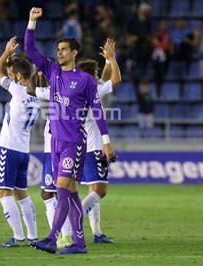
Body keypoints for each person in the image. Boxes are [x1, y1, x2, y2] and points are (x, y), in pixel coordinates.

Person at [25, 7, 116, 255]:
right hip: (54, 142)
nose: (60, 53)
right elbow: (30, 50)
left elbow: (97, 111)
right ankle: (80, 243)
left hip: (74, 142)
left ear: (74, 52)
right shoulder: (53, 71)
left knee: (63, 187)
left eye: (64, 50)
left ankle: (53, 238)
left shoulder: (85, 80)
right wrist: (32, 22)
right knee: (73, 194)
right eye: (58, 50)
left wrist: (106, 142)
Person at [0, 37, 40, 247]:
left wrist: (5, 53)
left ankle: (18, 236)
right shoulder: (36, 98)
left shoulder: (18, 90)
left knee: (3, 192)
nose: (9, 78)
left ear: (19, 77)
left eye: (12, 76)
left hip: (8, 149)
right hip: (23, 151)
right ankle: (32, 235)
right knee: (22, 194)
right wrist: (13, 59)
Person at [79, 38, 121, 245]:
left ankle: (96, 233)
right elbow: (115, 80)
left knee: (92, 190)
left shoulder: (82, 91)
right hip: (96, 147)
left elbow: (104, 81)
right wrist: (112, 59)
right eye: (94, 74)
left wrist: (104, 64)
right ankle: (73, 219)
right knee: (100, 191)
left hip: (84, 147)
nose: (97, 78)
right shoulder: (92, 92)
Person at [34, 72, 74, 249]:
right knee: (49, 193)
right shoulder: (57, 92)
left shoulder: (59, 92)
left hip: (56, 147)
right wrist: (42, 76)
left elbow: (32, 90)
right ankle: (59, 235)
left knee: (55, 193)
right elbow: (40, 90)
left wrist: (36, 74)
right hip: (52, 147)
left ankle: (64, 236)